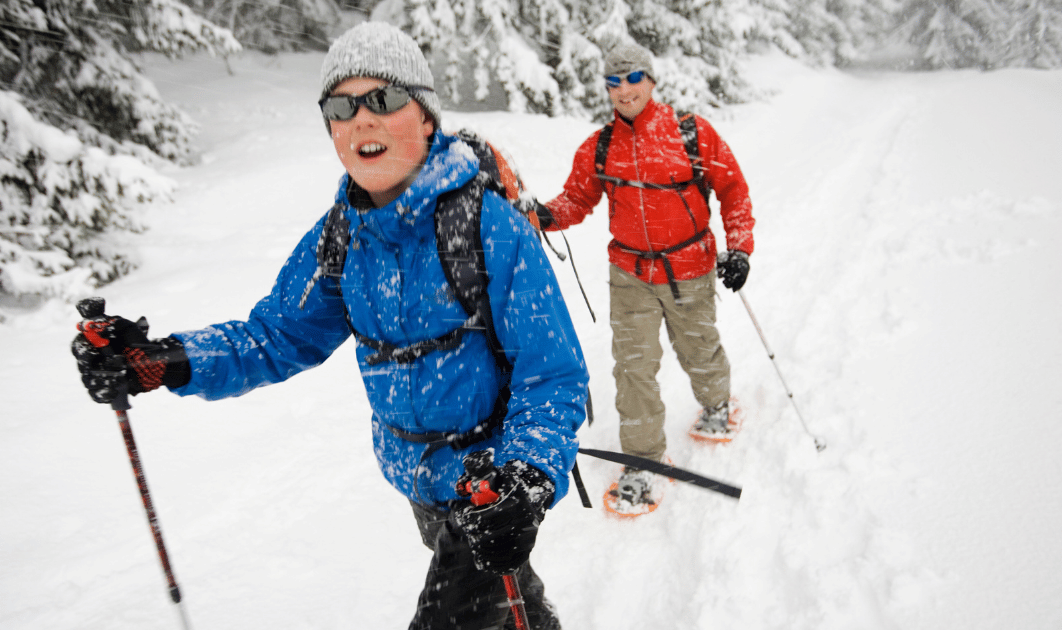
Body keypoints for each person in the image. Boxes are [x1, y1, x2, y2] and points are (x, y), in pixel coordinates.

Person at [71, 22, 588, 630]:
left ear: (426, 117)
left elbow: (552, 377)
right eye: (342, 106)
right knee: (504, 584)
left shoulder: (489, 227)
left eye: (384, 100)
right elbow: (277, 336)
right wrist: (162, 360)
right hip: (415, 477)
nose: (362, 119)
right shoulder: (341, 236)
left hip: (489, 481)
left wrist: (523, 478)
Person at [536, 41, 754, 513]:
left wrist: (739, 249)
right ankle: (643, 462)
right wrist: (538, 216)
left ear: (651, 80)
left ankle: (717, 402)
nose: (623, 89)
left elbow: (733, 190)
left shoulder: (692, 133)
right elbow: (575, 201)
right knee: (633, 369)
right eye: (612, 82)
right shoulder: (601, 147)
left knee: (697, 345)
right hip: (629, 273)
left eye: (632, 77)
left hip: (689, 267)